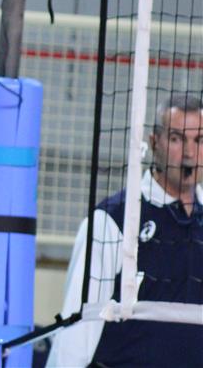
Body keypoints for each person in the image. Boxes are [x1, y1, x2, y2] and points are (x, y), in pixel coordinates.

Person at [48, 94, 202, 368]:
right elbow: (77, 330)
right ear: (154, 142)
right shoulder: (113, 220)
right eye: (177, 139)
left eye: (199, 140)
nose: (189, 153)